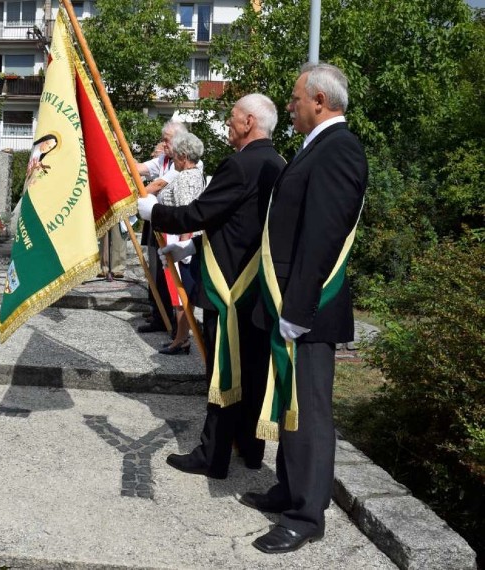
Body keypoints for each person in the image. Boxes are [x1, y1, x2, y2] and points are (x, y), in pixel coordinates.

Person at [240, 63, 368, 554]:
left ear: (318, 99)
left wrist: (299, 307)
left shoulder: (340, 149)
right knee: (291, 402)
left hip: (308, 308)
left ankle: (306, 515)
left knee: (310, 410)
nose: (289, 106)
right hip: (291, 301)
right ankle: (289, 489)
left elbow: (322, 236)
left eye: (295, 99)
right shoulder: (316, 146)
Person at [137, 94, 285, 480]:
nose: (228, 125)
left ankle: (213, 455)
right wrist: (191, 245)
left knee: (222, 372)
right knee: (252, 371)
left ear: (250, 122)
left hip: (229, 287)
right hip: (258, 289)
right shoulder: (278, 163)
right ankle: (250, 449)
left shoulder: (239, 165)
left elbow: (202, 212)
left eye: (233, 118)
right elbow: (241, 224)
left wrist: (155, 213)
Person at [153, 130, 206, 354]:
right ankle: (180, 337)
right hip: (181, 240)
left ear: (184, 157)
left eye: (175, 156)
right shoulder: (193, 175)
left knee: (182, 294)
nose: (172, 159)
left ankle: (182, 339)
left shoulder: (185, 178)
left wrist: (184, 249)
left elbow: (187, 216)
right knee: (183, 295)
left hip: (183, 243)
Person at [135, 121, 187, 334]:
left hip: (175, 227)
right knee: (156, 273)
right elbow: (141, 168)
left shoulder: (185, 162)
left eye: (167, 140)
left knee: (173, 277)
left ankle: (176, 325)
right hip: (157, 221)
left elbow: (157, 185)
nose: (164, 144)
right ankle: (159, 316)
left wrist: (136, 195)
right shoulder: (165, 160)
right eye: (164, 139)